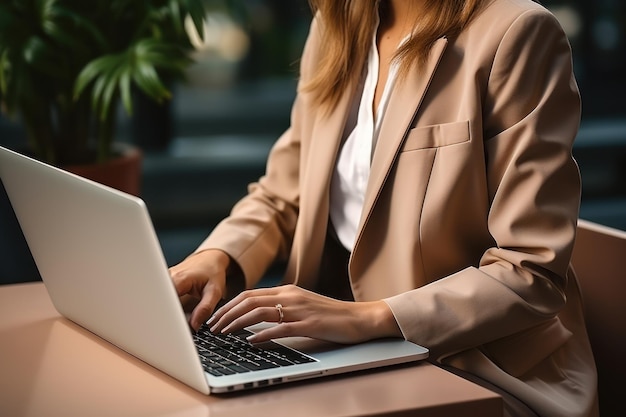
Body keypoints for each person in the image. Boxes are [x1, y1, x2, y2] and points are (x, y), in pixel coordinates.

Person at [169, 0, 599, 416]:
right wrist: (217, 256)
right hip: (334, 348)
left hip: (474, 366)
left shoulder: (515, 32)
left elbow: (531, 271)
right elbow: (284, 194)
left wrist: (366, 318)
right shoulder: (338, 25)